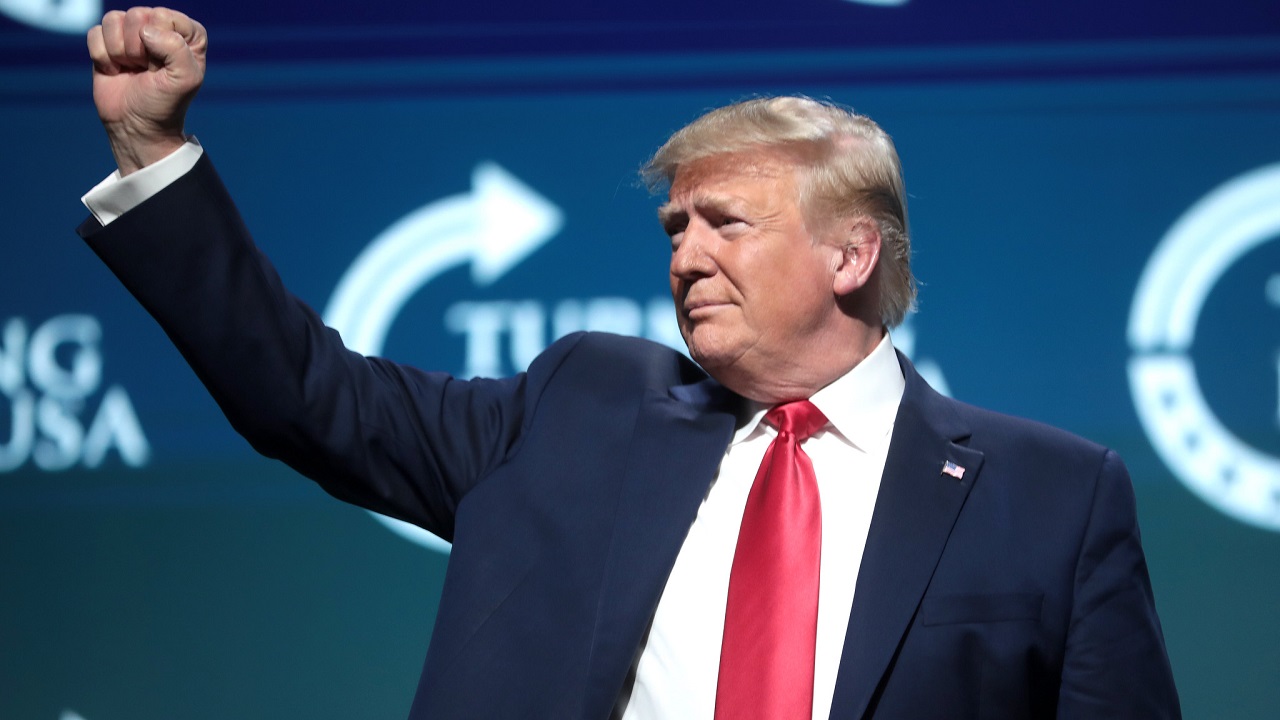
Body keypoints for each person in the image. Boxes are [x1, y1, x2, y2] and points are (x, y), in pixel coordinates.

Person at [79, 7, 1181, 719]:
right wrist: (151, 155)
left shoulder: (1049, 494)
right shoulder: (580, 408)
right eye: (672, 228)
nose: (685, 254)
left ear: (851, 253)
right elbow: (303, 394)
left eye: (725, 223)